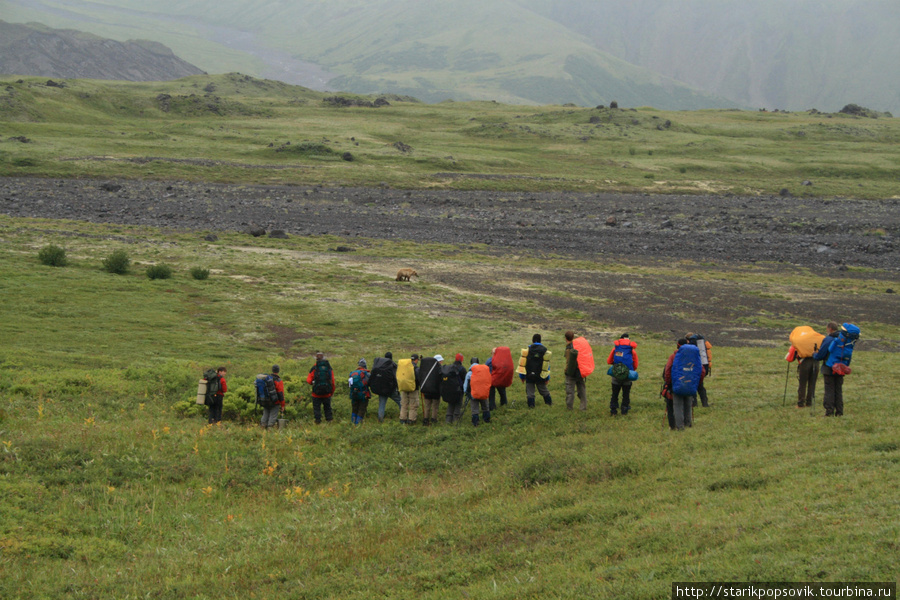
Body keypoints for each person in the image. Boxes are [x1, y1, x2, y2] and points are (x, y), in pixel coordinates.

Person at [813, 322, 844, 417]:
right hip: (841, 367)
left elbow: (820, 355)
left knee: (829, 390)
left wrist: (814, 354)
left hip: (829, 368)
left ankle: (829, 411)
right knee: (838, 390)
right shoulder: (843, 339)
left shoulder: (828, 339)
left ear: (830, 329)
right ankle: (839, 412)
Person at [607, 333, 638, 415]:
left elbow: (609, 361)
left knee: (615, 394)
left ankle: (613, 411)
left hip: (616, 376)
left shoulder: (615, 349)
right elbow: (635, 365)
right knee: (626, 394)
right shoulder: (632, 351)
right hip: (627, 375)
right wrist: (629, 371)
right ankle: (624, 410)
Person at [519, 334, 552, 408]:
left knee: (530, 393)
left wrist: (522, 376)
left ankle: (531, 406)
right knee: (544, 391)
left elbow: (522, 364)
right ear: (540, 340)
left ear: (532, 340)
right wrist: (547, 378)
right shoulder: (544, 350)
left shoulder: (527, 350)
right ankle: (549, 404)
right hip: (540, 375)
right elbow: (546, 366)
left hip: (529, 374)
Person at [370, 351, 401, 423]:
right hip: (391, 389)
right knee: (400, 402)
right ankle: (403, 417)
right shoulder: (392, 365)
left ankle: (380, 419)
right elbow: (396, 377)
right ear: (391, 357)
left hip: (381, 389)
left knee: (382, 404)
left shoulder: (379, 365)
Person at [306, 351, 335, 424]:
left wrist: (313, 383)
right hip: (327, 393)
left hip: (316, 393)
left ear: (316, 358)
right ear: (323, 357)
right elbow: (332, 381)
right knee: (327, 408)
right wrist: (331, 392)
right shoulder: (328, 367)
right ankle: (329, 421)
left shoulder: (314, 367)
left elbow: (308, 380)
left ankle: (318, 422)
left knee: (317, 408)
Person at [786, 344, 819, 408]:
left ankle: (801, 404)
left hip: (804, 363)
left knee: (802, 384)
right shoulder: (817, 339)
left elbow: (790, 357)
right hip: (816, 362)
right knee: (812, 384)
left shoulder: (799, 340)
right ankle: (809, 403)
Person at [686, 332, 712, 407]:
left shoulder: (691, 345)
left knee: (693, 385)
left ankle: (694, 403)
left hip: (694, 367)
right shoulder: (701, 344)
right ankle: (705, 403)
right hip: (704, 367)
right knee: (700, 386)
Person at [465, 357, 492, 426]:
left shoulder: (469, 373)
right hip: (484, 392)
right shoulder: (484, 371)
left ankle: (475, 422)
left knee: (474, 409)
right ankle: (487, 420)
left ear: (471, 363)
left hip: (474, 393)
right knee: (485, 406)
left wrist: (466, 392)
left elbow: (465, 385)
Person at [564, 331, 587, 411]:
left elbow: (568, 361)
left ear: (566, 338)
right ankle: (583, 407)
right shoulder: (578, 346)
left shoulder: (568, 348)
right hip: (580, 371)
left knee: (570, 392)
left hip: (571, 373)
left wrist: (566, 370)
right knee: (582, 390)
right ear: (573, 337)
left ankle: (569, 408)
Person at [418, 354, 444, 426]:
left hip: (426, 390)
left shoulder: (426, 368)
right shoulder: (439, 368)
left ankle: (426, 419)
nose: (442, 362)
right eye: (441, 360)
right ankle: (434, 419)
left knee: (427, 406)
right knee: (435, 406)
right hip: (436, 391)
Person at [397, 354, 420, 425]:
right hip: (413, 389)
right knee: (413, 405)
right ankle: (411, 420)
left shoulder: (404, 367)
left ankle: (402, 419)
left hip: (403, 387)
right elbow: (418, 378)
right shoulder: (415, 368)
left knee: (404, 404)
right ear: (416, 360)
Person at [260, 365, 284, 429]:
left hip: (265, 400)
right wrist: (282, 405)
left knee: (265, 414)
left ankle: (262, 428)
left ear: (272, 370)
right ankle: (270, 429)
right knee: (273, 416)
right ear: (278, 371)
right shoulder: (278, 380)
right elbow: (281, 393)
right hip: (275, 402)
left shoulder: (267, 379)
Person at [348, 359, 371, 425]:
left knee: (354, 409)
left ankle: (353, 423)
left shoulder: (352, 373)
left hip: (354, 394)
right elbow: (369, 383)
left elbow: (350, 384)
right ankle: (358, 424)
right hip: (363, 394)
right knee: (361, 409)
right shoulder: (366, 373)